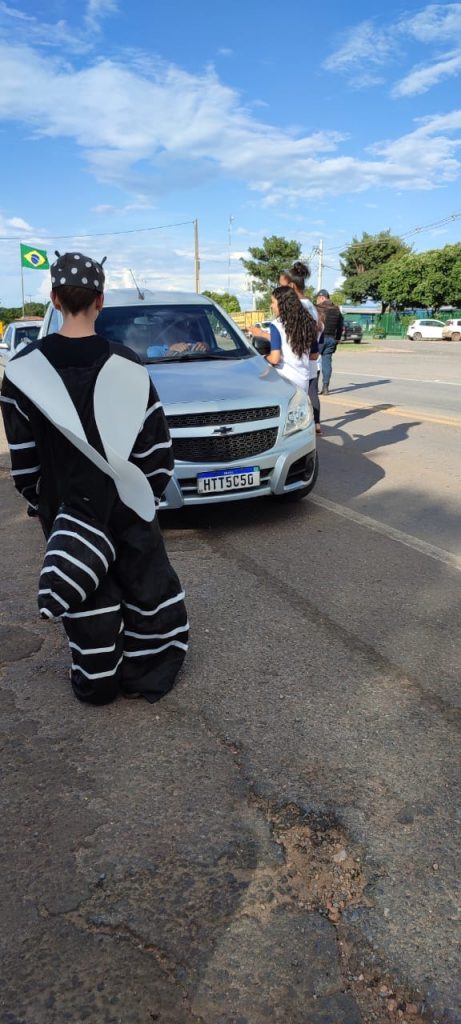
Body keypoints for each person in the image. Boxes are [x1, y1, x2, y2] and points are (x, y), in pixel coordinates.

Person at [0, 251, 188, 706]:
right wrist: (148, 494)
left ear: (54, 298)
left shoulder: (22, 371)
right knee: (144, 583)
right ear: (100, 300)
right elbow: (157, 450)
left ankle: (97, 681)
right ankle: (146, 674)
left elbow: (23, 461)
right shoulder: (127, 364)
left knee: (87, 594)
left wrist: (45, 501)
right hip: (126, 499)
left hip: (65, 506)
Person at [250, 285, 317, 395]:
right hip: (303, 381)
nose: (271, 306)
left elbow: (275, 359)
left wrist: (263, 358)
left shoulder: (277, 325)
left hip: (283, 380)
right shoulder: (309, 323)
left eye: (273, 302)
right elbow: (314, 355)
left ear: (282, 304)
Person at [279, 262, 322, 434]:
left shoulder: (301, 308)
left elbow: (297, 338)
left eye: (282, 287)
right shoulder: (309, 305)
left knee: (296, 410)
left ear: (291, 286)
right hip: (306, 363)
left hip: (299, 365)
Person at [314, 289, 343, 394]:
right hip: (331, 339)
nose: (316, 301)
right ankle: (325, 388)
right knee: (327, 363)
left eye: (317, 298)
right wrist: (337, 339)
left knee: (315, 361)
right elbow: (340, 327)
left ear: (322, 297)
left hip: (319, 338)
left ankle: (314, 388)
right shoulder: (336, 309)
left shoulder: (317, 308)